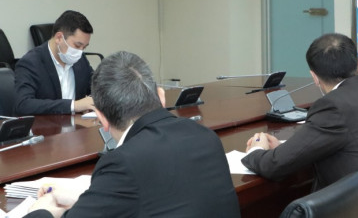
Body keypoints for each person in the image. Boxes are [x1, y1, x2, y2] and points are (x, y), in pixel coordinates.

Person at [26, 51, 239, 218]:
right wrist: (88, 200)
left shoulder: (123, 163)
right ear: (161, 97)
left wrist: (42, 209)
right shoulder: (205, 137)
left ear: (102, 119)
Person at [242, 34, 358, 218]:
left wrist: (256, 150)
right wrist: (285, 148)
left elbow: (275, 165)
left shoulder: (333, 106)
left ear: (314, 77)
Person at [14, 10, 95, 115]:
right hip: (46, 124)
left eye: (84, 47)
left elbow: (96, 87)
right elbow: (23, 104)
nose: (80, 52)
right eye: (77, 45)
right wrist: (73, 106)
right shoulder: (31, 63)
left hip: (77, 123)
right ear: (59, 38)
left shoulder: (80, 60)